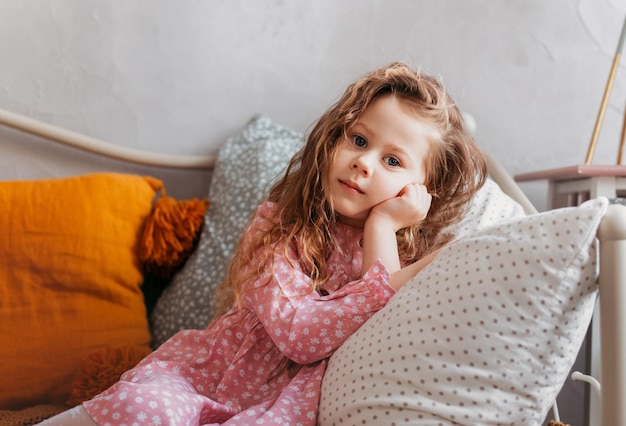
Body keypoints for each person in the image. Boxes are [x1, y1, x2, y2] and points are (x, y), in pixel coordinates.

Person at [39, 61, 487, 425]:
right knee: (145, 410)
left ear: (423, 191)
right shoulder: (279, 225)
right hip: (208, 377)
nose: (364, 163)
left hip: (283, 404)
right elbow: (301, 336)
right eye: (358, 139)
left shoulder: (404, 251)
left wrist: (383, 226)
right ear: (334, 138)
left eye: (392, 160)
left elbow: (382, 317)